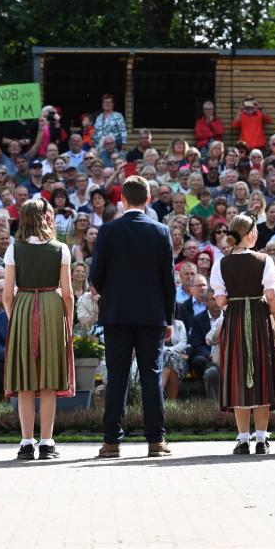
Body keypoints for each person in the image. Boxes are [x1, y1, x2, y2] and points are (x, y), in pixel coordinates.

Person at [89, 176, 175, 459]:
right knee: (151, 376)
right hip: (152, 315)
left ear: (122, 200)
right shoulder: (161, 231)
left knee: (117, 377)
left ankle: (111, 442)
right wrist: (169, 319)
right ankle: (156, 440)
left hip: (117, 314)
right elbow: (168, 281)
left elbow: (96, 276)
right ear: (148, 199)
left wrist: (112, 294)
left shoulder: (108, 231)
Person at [2, 197, 75, 461]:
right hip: (52, 308)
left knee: (25, 380)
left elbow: (7, 295)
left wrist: (16, 320)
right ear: (46, 218)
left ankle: (26, 443)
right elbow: (68, 294)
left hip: (23, 307)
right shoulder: (61, 249)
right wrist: (68, 323)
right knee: (48, 380)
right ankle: (46, 442)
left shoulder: (14, 249)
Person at [211, 213, 275, 454]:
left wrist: (235, 299)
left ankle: (244, 440)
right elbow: (271, 293)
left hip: (235, 319)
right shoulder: (264, 260)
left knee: (238, 376)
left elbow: (220, 300)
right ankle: (262, 440)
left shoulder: (221, 263)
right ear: (249, 233)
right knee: (262, 375)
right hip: (259, 319)